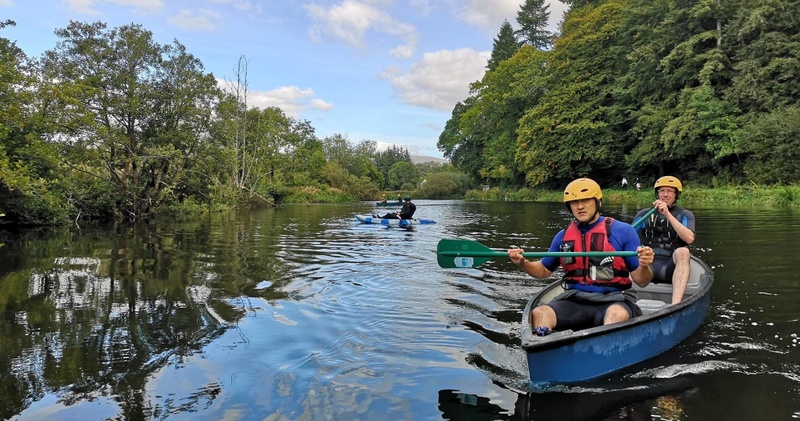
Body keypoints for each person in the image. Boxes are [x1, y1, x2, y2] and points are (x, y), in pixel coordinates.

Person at [508, 178, 654, 334]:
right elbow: (543, 270)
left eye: (586, 200)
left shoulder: (623, 231)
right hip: (575, 300)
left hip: (614, 300)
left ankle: (603, 345)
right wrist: (523, 263)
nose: (580, 206)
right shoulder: (563, 236)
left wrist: (644, 265)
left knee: (616, 314)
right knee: (540, 313)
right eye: (574, 202)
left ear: (598, 202)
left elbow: (642, 281)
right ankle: (547, 343)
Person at [633, 176, 695, 304]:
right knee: (632, 250)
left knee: (683, 251)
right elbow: (627, 235)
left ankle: (675, 304)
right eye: (662, 191)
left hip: (671, 265)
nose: (665, 195)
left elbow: (689, 239)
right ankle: (627, 300)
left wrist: (667, 214)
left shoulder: (685, 215)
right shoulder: (644, 214)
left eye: (670, 191)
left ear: (676, 194)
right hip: (647, 265)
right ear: (657, 194)